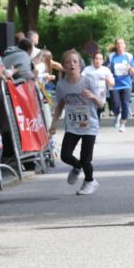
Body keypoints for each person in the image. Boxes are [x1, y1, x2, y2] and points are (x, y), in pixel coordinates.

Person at [49, 50, 105, 195]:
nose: (72, 64)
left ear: (80, 65)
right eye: (68, 62)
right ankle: (77, 166)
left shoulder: (88, 81)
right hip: (73, 125)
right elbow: (60, 105)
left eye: (75, 61)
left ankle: (90, 181)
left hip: (89, 125)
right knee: (65, 155)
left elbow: (101, 105)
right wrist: (54, 124)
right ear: (64, 66)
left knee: (86, 158)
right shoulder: (61, 85)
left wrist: (92, 96)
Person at [108, 37, 134, 132]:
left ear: (124, 45)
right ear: (116, 46)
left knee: (125, 105)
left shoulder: (129, 56)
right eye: (118, 43)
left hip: (126, 84)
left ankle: (123, 124)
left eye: (121, 43)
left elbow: (133, 72)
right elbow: (106, 68)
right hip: (114, 84)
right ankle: (116, 115)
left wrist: (129, 68)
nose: (120, 45)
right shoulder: (111, 56)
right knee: (115, 104)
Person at [83, 52, 115, 117]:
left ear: (103, 61)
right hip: (89, 96)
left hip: (100, 97)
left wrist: (106, 79)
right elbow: (80, 80)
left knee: (97, 115)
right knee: (91, 115)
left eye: (100, 59)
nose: (98, 61)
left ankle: (95, 126)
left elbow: (112, 83)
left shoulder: (106, 70)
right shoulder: (87, 69)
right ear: (93, 60)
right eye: (96, 58)